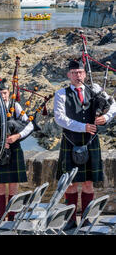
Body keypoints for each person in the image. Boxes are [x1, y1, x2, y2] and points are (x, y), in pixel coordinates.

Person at [54, 60, 116, 230]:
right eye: (74, 73)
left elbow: (113, 104)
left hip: (90, 142)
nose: (77, 76)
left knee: (88, 183)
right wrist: (83, 127)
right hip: (71, 141)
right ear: (68, 75)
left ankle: (87, 219)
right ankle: (70, 219)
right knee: (71, 183)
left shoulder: (95, 90)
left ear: (85, 74)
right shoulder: (61, 94)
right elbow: (60, 118)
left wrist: (106, 117)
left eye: (80, 72)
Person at [0, 78, 34, 221]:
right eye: (0, 93)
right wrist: (0, 142)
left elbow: (30, 125)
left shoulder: (15, 106)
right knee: (0, 188)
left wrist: (17, 136)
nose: (3, 96)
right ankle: (1, 219)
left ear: (9, 93)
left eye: (5, 93)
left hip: (14, 149)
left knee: (13, 187)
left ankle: (12, 219)